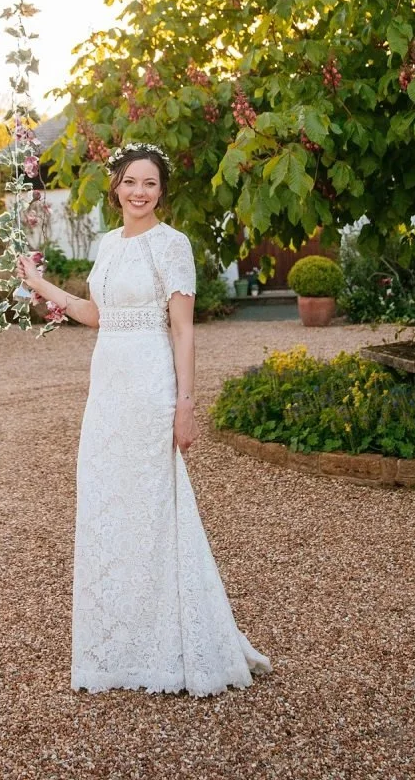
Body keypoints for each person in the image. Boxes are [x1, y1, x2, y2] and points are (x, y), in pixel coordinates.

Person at [16, 141, 272, 697]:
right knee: (109, 507)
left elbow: (183, 329)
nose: (139, 192)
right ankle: (120, 646)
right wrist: (38, 283)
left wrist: (185, 404)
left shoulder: (172, 245)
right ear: (116, 186)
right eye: (131, 181)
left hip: (151, 386)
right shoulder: (107, 244)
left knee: (156, 508)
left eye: (150, 184)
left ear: (161, 190)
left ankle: (174, 644)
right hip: (106, 389)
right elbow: (94, 315)